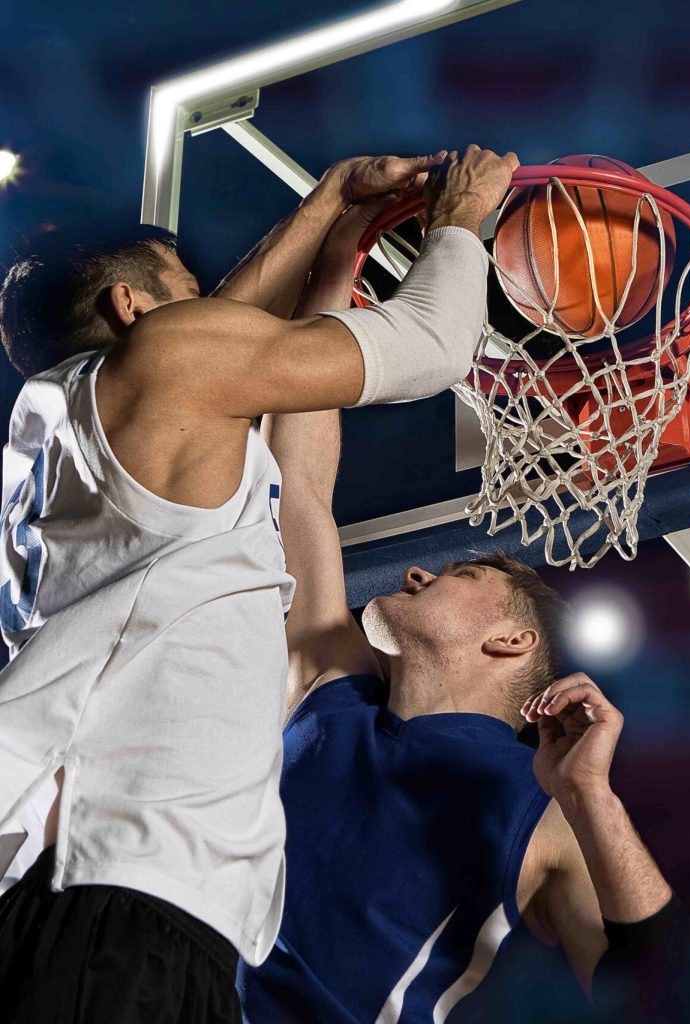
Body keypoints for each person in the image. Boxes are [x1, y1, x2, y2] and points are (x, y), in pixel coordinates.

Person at [0, 145, 518, 1023]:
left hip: (72, 893)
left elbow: (237, 348)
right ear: (133, 309)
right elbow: (430, 346)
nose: (218, 313)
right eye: (186, 288)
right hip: (117, 900)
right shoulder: (168, 366)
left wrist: (333, 222)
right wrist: (459, 220)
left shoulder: (63, 436)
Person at [236, 199, 685, 1023]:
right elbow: (295, 481)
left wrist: (593, 798)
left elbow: (647, 987)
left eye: (464, 569)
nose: (413, 570)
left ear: (514, 639)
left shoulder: (544, 811)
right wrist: (339, 251)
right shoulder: (326, 683)